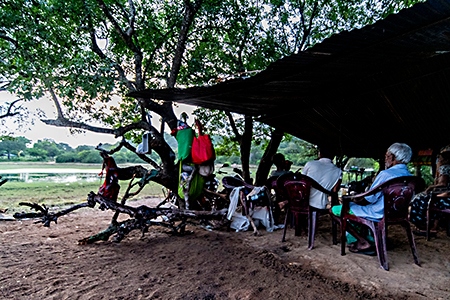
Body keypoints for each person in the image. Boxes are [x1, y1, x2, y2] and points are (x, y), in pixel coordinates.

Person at [331, 142, 413, 254]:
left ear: (392, 157)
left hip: (377, 213)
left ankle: (362, 241)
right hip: (397, 214)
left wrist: (355, 198)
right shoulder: (411, 178)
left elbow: (369, 199)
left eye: (386, 155)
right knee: (354, 207)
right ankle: (374, 238)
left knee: (335, 210)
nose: (385, 158)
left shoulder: (386, 175)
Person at [409, 145, 450, 235]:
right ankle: (432, 226)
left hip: (447, 198)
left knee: (420, 199)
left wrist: (430, 187)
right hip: (446, 196)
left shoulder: (445, 167)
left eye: (439, 158)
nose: (438, 160)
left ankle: (425, 226)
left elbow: (443, 183)